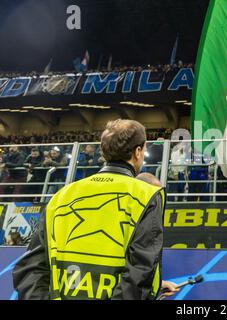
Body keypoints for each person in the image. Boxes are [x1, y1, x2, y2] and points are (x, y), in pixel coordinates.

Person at [13, 119, 178, 300]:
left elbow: (30, 269)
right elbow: (140, 273)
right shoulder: (146, 195)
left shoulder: (62, 195)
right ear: (138, 152)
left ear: (103, 151)